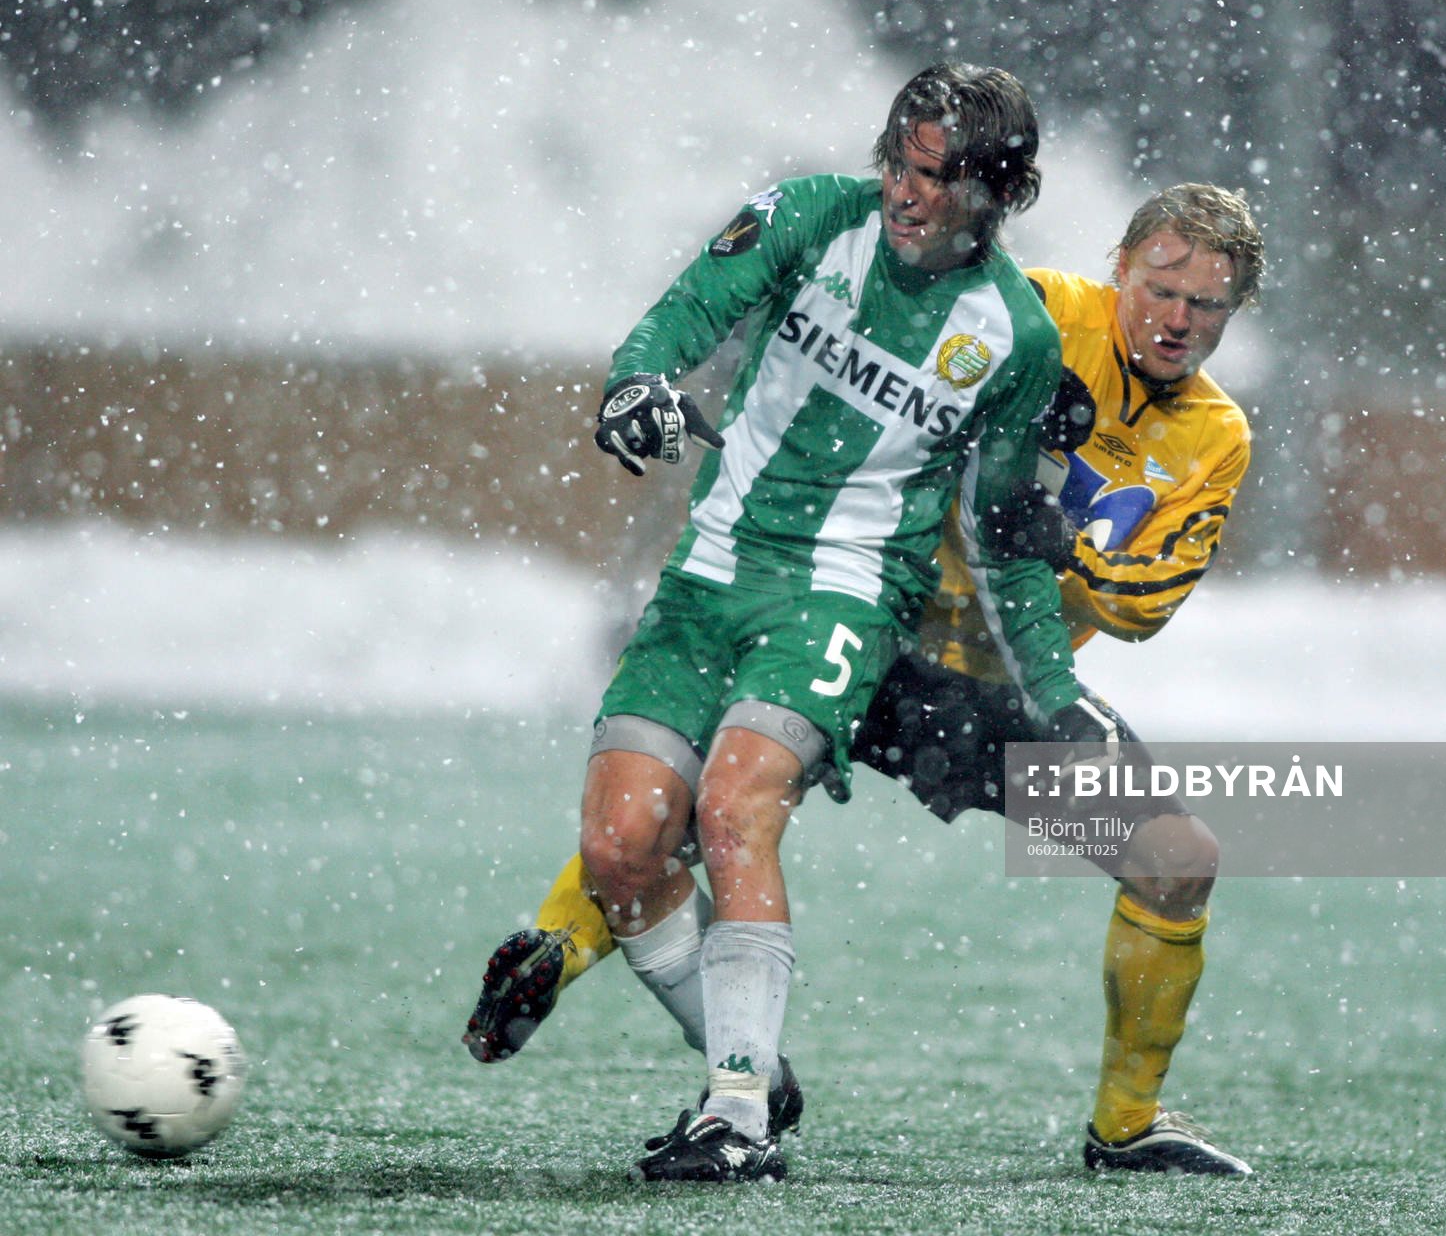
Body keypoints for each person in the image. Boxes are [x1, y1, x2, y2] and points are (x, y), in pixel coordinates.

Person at [465, 182, 1265, 1176]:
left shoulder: (1216, 438)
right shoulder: (1035, 313)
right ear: (1120, 267)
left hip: (1001, 690)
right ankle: (559, 946)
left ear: (1234, 312)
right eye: (1161, 289)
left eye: (1206, 304)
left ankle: (1126, 1124)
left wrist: (1062, 548)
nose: (1177, 318)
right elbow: (889, 372)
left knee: (1177, 860)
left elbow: (1145, 603)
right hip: (867, 624)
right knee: (712, 803)